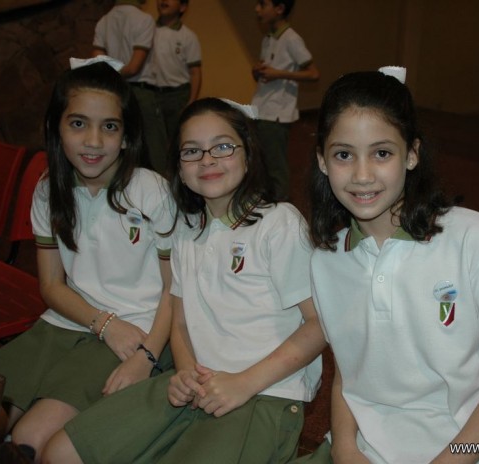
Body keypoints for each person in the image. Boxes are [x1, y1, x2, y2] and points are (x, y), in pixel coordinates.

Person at [41, 97, 325, 464]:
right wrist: (187, 370)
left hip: (265, 393)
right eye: (192, 151)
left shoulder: (278, 224)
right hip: (196, 383)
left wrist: (244, 383)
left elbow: (318, 324)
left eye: (222, 147)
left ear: (249, 154)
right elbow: (179, 322)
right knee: (60, 452)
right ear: (179, 166)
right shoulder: (186, 232)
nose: (207, 160)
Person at [300, 68, 479, 463]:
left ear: (412, 154)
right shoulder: (326, 260)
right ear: (322, 161)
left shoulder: (476, 240)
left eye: (382, 153)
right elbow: (349, 371)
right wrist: (344, 446)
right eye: (343, 155)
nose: (362, 175)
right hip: (367, 447)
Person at [0, 59, 175, 462]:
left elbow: (175, 288)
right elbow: (51, 286)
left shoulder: (150, 191)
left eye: (109, 127)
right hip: (71, 320)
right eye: (78, 123)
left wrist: (147, 356)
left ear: (127, 136)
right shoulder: (49, 190)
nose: (93, 141)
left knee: (30, 439)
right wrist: (103, 323)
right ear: (56, 128)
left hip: (138, 328)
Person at [251, 0, 319, 200]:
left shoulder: (291, 39)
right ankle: (268, 202)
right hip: (262, 108)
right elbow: (266, 74)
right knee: (263, 163)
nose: (257, 9)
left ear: (279, 9)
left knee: (276, 167)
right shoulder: (268, 38)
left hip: (277, 113)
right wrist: (257, 71)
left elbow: (313, 73)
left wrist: (279, 74)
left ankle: (282, 206)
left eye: (263, 4)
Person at [135, 0, 203, 175]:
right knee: (154, 143)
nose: (163, 1)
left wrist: (191, 102)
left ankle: (182, 179)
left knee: (178, 142)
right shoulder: (148, 30)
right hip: (153, 94)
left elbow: (195, 72)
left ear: (183, 7)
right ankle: (160, 179)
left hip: (178, 95)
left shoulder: (187, 36)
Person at [92, 0, 155, 82]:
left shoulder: (103, 21)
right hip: (138, 85)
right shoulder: (145, 19)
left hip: (113, 84)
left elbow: (98, 63)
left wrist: (110, 75)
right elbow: (132, 69)